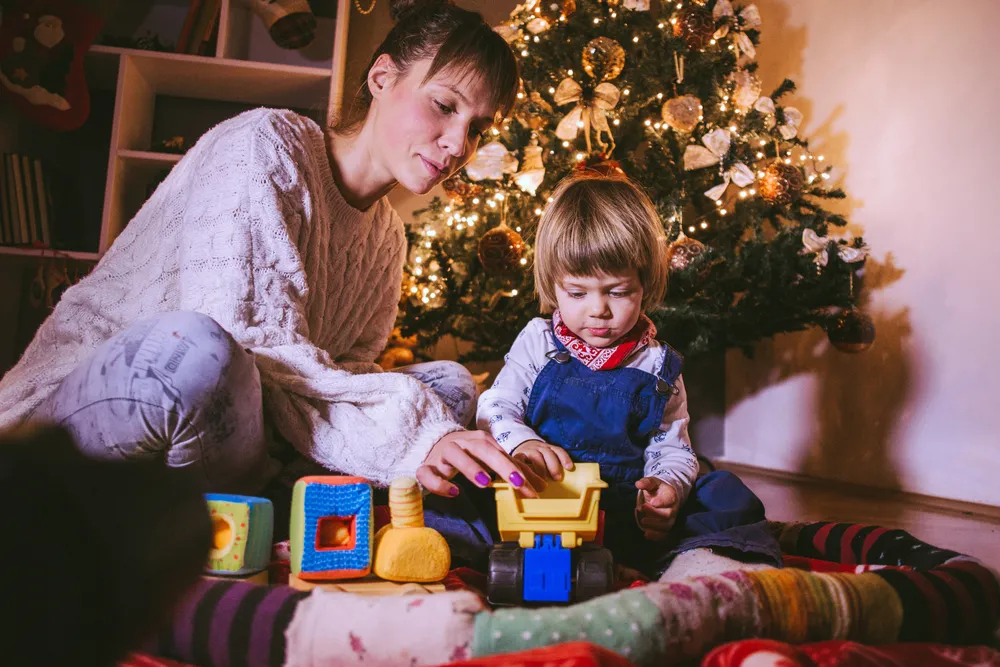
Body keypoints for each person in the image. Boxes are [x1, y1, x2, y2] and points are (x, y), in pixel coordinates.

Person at [0, 0, 541, 500]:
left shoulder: (386, 236)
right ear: (381, 77)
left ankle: (281, 510)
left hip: (239, 416)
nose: (458, 144)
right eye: (444, 105)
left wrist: (426, 429)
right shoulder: (265, 144)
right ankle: (250, 507)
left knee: (447, 386)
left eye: (477, 128)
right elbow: (247, 339)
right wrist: (416, 434)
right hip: (90, 410)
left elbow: (347, 367)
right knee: (204, 352)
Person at [472, 172, 781, 578]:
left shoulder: (658, 365)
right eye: (577, 293)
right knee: (467, 493)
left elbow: (673, 448)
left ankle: (697, 562)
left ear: (644, 284)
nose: (598, 310)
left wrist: (665, 489)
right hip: (540, 508)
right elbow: (495, 406)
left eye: (617, 292)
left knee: (723, 493)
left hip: (623, 515)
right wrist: (523, 442)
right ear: (552, 285)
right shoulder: (537, 341)